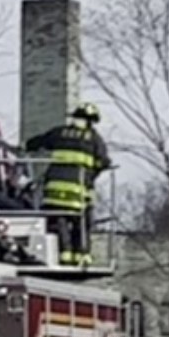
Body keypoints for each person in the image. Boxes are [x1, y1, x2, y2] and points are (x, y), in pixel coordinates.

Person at [24, 103, 112, 266]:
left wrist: (23, 148)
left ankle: (64, 255)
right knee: (82, 222)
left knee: (59, 220)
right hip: (78, 190)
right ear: (90, 121)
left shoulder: (59, 133)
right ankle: (81, 256)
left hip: (54, 188)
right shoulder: (94, 139)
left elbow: (34, 143)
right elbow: (103, 162)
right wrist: (91, 176)